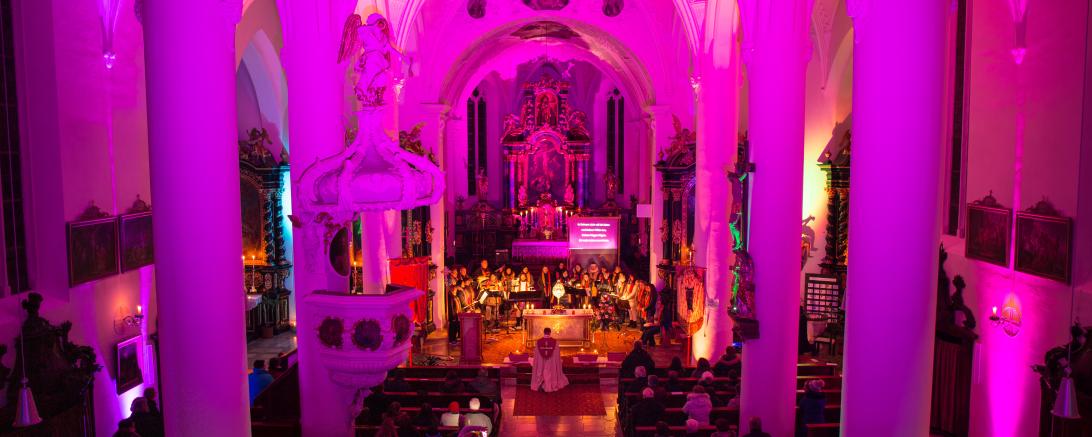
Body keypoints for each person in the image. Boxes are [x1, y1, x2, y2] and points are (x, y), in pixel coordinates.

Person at [530, 327, 569, 392]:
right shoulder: (555, 342)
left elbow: (536, 355)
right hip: (551, 363)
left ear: (544, 332)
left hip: (541, 363)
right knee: (550, 371)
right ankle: (551, 384)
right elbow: (557, 355)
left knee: (541, 369)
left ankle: (540, 383)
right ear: (550, 333)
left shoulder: (538, 342)